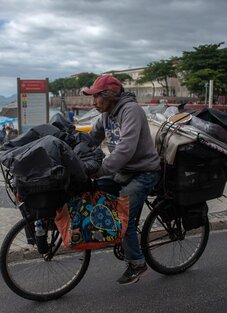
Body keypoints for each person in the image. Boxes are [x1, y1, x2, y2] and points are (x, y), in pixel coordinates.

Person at [83, 75, 161, 285]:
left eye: (97, 97)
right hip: (122, 171)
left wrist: (100, 170)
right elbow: (92, 139)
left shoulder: (131, 110)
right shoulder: (107, 114)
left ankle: (137, 263)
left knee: (123, 216)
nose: (93, 102)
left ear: (109, 96)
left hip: (143, 172)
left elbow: (126, 149)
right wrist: (75, 154)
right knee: (93, 189)